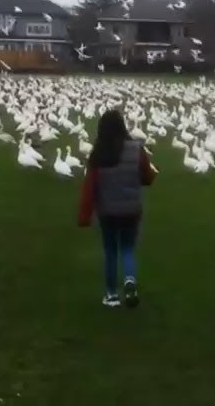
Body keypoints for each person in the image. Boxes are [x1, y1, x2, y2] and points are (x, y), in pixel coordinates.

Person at [77, 109, 157, 308]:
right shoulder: (137, 149)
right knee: (128, 249)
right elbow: (148, 177)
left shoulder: (98, 153)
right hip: (131, 210)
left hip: (108, 212)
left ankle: (112, 296)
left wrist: (84, 216)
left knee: (111, 252)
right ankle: (130, 281)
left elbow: (90, 188)